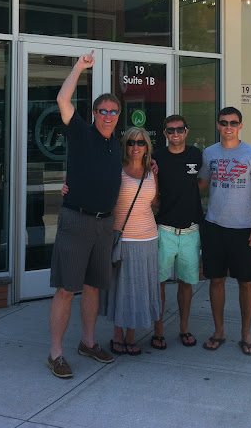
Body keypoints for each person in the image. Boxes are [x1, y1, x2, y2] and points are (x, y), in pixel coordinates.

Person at [48, 50, 121, 378]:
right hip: (76, 220)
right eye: (103, 111)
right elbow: (63, 99)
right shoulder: (80, 132)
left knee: (93, 286)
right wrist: (80, 66)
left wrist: (152, 166)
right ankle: (56, 353)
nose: (108, 116)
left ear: (118, 116)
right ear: (94, 114)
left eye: (113, 112)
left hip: (105, 224)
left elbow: (135, 162)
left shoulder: (116, 144)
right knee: (67, 288)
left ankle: (88, 343)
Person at [197, 107, 251, 356]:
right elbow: (201, 184)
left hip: (243, 230)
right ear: (218, 125)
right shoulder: (209, 153)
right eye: (223, 122)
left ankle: (246, 335)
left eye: (233, 122)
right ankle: (218, 332)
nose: (228, 127)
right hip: (214, 227)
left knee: (246, 283)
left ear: (240, 125)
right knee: (216, 280)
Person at [104, 127, 161, 356]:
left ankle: (131, 336)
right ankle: (117, 335)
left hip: (148, 238)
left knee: (140, 289)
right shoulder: (116, 170)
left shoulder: (151, 171)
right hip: (123, 238)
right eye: (131, 143)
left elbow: (156, 202)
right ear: (125, 146)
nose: (135, 147)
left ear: (147, 147)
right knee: (122, 289)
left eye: (140, 143)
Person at [151, 115, 203, 350]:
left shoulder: (196, 155)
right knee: (159, 282)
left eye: (179, 129)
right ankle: (158, 330)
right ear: (164, 133)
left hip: (190, 231)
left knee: (186, 282)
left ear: (186, 131)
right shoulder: (157, 158)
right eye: (170, 130)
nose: (175, 134)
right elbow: (153, 194)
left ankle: (184, 327)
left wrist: (188, 197)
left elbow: (202, 182)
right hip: (165, 230)